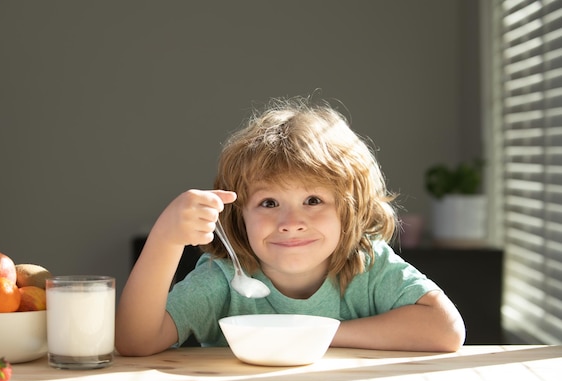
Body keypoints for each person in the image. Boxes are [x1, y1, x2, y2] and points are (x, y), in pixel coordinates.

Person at [116, 96, 466, 356]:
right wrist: (165, 238)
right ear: (239, 215)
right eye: (269, 203)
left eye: (313, 201)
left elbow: (445, 330)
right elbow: (135, 342)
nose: (291, 223)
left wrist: (316, 333)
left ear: (350, 210)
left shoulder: (367, 265)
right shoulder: (225, 279)